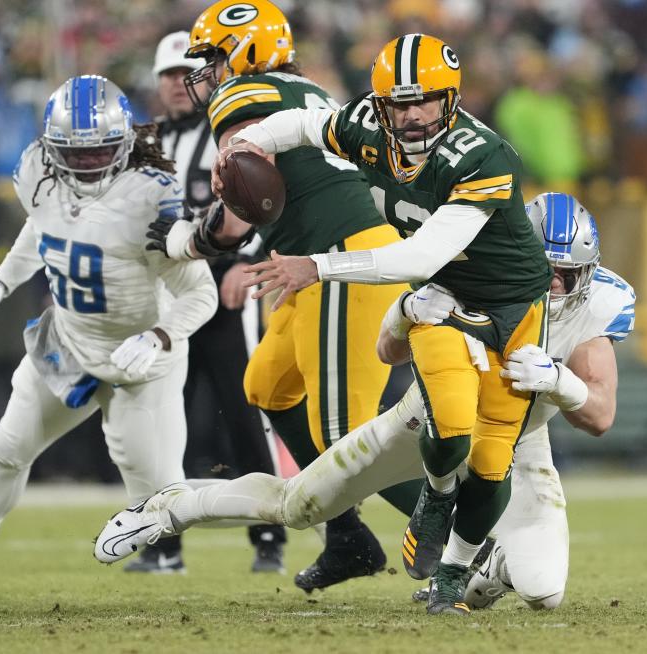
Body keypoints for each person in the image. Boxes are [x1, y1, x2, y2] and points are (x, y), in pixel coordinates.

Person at [95, 192, 633, 615]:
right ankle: (171, 509)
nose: (557, 285)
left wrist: (559, 381)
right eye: (548, 270)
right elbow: (388, 350)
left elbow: (601, 415)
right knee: (298, 506)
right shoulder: (475, 269)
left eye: (570, 274)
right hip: (426, 419)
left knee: (544, 593)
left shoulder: (599, 305)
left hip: (520, 435)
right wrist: (405, 310)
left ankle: (476, 578)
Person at [216, 33, 552, 614]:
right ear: (380, 104)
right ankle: (388, 519)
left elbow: (421, 255)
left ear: (450, 98)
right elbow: (300, 123)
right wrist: (247, 143)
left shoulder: (482, 155)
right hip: (438, 296)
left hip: (506, 305)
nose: (414, 114)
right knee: (281, 390)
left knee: (474, 453)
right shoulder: (364, 125)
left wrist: (316, 267)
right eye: (400, 103)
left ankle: (471, 551)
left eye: (426, 100)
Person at [150, 0, 418, 592]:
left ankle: (467, 539)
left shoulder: (243, 96)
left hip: (338, 259)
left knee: (347, 438)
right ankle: (347, 537)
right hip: (316, 258)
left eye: (215, 57)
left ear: (244, 53)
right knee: (266, 385)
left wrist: (185, 242)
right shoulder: (308, 89)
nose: (208, 73)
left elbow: (245, 205)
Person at [0, 75, 217, 598]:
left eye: (101, 152)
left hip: (140, 356)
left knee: (163, 501)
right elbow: (41, 225)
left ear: (126, 143)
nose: (87, 164)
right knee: (6, 447)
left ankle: (283, 506)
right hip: (68, 339)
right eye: (75, 154)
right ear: (50, 148)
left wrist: (157, 337)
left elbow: (201, 295)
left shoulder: (150, 197)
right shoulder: (35, 169)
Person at [124, 30, 285, 575]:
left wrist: (247, 260)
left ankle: (270, 537)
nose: (175, 85)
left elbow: (265, 202)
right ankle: (163, 544)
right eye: (167, 75)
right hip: (168, 294)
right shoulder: (143, 140)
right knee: (159, 422)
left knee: (244, 413)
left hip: (223, 282)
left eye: (181, 74)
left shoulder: (235, 128)